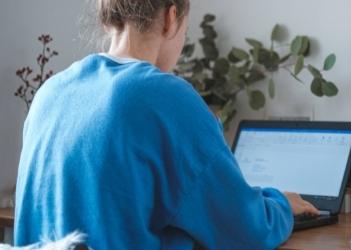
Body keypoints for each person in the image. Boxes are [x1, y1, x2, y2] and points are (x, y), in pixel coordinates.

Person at [14, 0, 319, 249]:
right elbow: (246, 231)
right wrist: (281, 203)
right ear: (171, 19)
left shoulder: (50, 93)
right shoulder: (166, 97)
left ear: (108, 19)